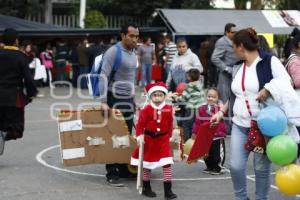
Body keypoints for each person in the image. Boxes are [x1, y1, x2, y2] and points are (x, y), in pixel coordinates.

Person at [211, 28, 291, 200]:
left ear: (241, 46)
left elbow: (287, 81)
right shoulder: (237, 67)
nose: (233, 51)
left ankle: (261, 198)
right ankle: (241, 198)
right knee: (236, 166)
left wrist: (268, 88)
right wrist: (221, 112)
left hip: (264, 126)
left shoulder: (269, 61)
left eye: (233, 47)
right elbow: (236, 95)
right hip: (240, 125)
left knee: (261, 169)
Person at [98, 23, 139, 187]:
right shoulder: (114, 51)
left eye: (137, 36)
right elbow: (103, 75)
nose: (135, 39)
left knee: (127, 135)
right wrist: (103, 102)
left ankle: (123, 168)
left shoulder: (133, 52)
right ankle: (112, 173)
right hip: (113, 98)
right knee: (114, 135)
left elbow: (131, 77)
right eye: (132, 36)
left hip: (127, 99)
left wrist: (133, 99)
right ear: (123, 36)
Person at [131, 82, 177, 199]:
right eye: (155, 95)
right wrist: (139, 136)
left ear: (164, 96)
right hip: (149, 140)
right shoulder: (146, 109)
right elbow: (140, 124)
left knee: (167, 164)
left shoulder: (168, 109)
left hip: (163, 140)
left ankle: (168, 191)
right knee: (147, 165)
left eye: (160, 95)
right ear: (150, 96)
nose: (157, 97)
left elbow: (170, 123)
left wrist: (170, 135)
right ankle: (146, 187)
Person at [0, 28, 37, 155]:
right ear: (16, 41)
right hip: (13, 96)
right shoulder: (20, 57)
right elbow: (28, 79)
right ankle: (3, 135)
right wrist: (31, 94)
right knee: (16, 128)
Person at [191, 87, 226, 175]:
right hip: (205, 135)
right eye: (209, 96)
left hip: (217, 135)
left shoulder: (220, 109)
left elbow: (222, 119)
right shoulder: (202, 108)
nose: (210, 98)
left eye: (213, 97)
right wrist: (195, 133)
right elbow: (197, 122)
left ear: (218, 98)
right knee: (206, 152)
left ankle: (218, 167)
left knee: (217, 152)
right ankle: (209, 166)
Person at [172, 68, 205, 141]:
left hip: (191, 109)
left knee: (186, 125)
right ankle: (195, 140)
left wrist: (176, 98)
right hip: (200, 108)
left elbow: (184, 98)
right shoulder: (200, 84)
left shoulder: (189, 86)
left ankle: (187, 142)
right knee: (195, 125)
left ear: (189, 77)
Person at [211, 23, 239, 104]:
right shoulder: (222, 42)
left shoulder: (235, 41)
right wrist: (226, 68)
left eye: (236, 32)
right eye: (233, 32)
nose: (235, 34)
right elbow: (214, 58)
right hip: (225, 76)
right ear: (227, 32)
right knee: (225, 100)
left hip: (236, 74)